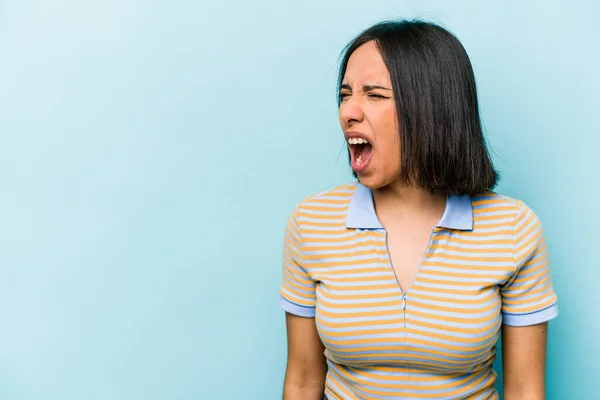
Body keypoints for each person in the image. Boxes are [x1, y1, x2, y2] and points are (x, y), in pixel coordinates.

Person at [279, 19, 558, 400]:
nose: (347, 112)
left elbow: (526, 389)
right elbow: (302, 379)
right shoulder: (311, 223)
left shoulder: (513, 229)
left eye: (374, 95)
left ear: (430, 108)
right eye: (345, 95)